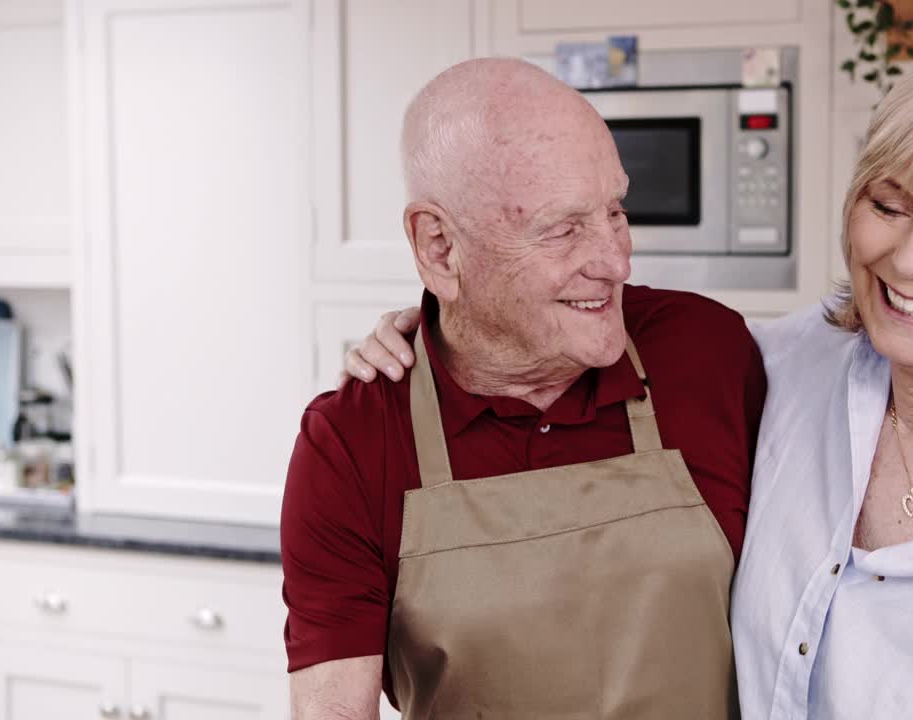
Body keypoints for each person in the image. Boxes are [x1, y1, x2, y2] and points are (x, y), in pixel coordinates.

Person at [343, 43, 913, 718]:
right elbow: (550, 321)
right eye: (889, 205)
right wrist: (443, 320)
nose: (909, 259)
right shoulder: (779, 368)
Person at [281, 57, 764, 720]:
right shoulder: (355, 440)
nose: (616, 260)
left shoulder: (708, 353)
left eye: (615, 211)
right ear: (440, 249)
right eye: (564, 228)